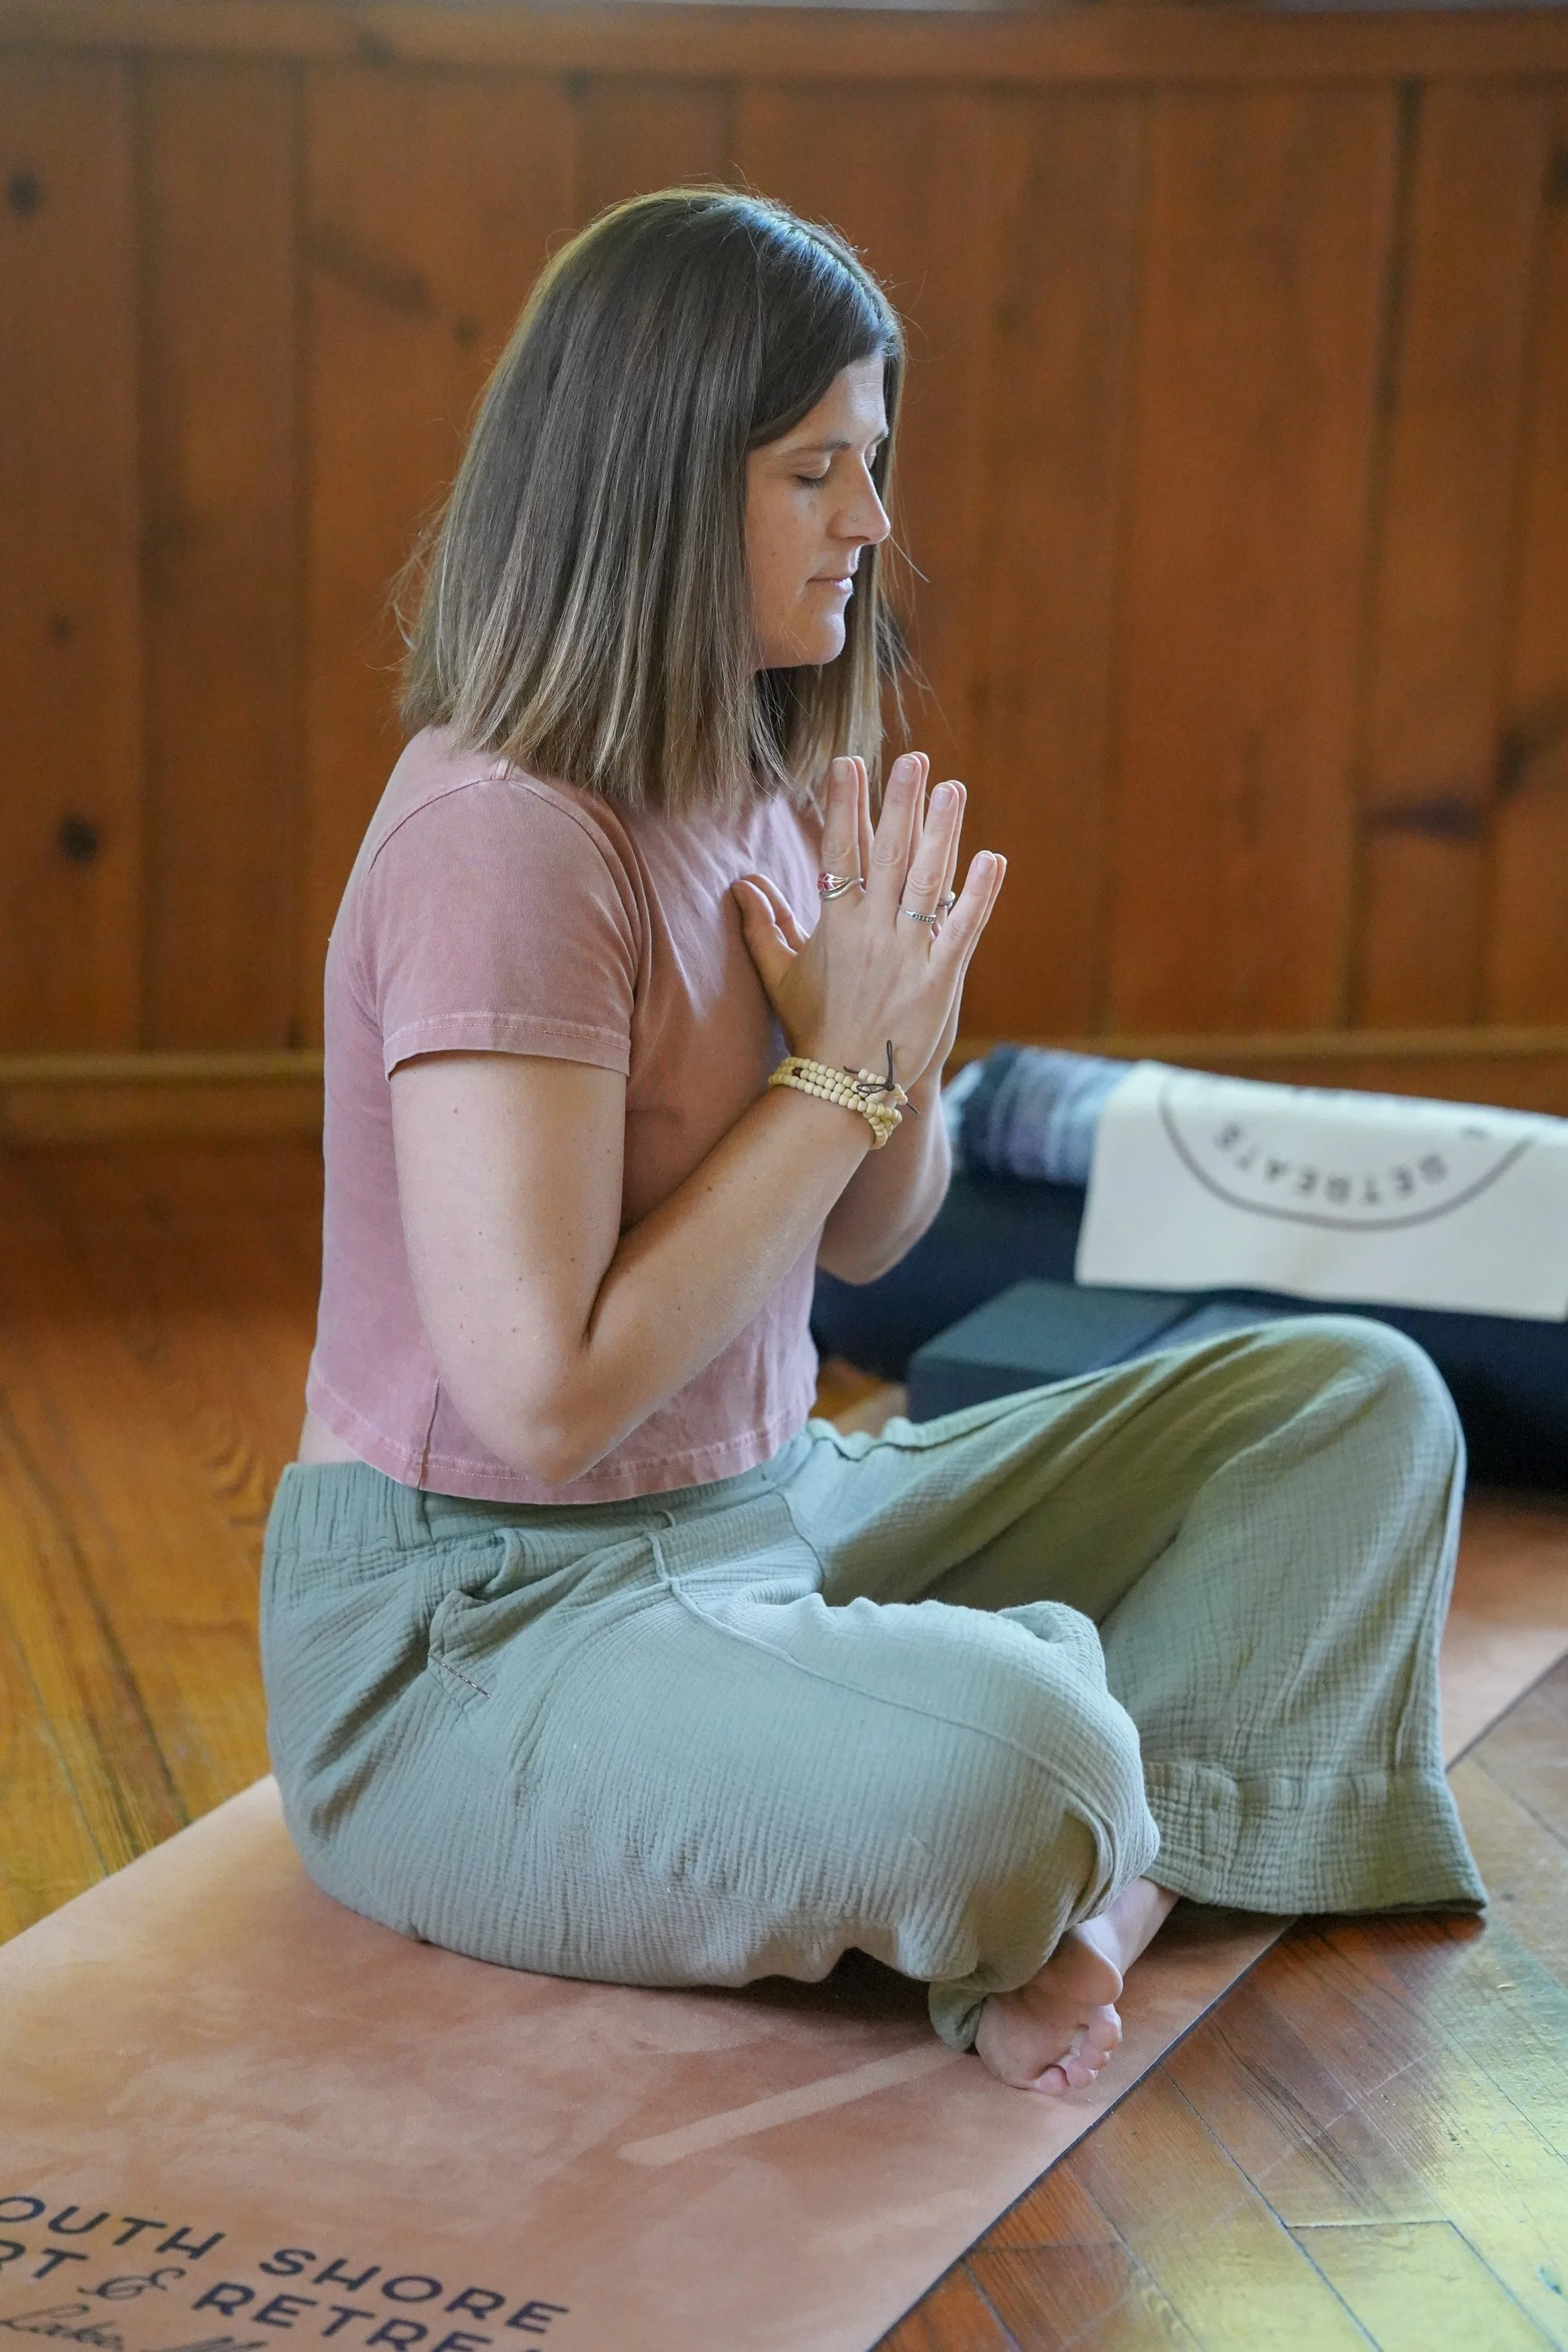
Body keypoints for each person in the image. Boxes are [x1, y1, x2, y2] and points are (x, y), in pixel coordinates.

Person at [262, 188, 1483, 2095]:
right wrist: (826, 1074)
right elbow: (544, 1397)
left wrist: (891, 1049)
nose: (873, 521)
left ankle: (1092, 1897)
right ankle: (1072, 1783)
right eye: (816, 468)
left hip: (769, 1511)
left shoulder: (737, 773)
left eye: (876, 461)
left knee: (1357, 1402)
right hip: (477, 1632)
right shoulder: (501, 839)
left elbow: (863, 1244)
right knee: (1038, 1752)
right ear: (659, 485)